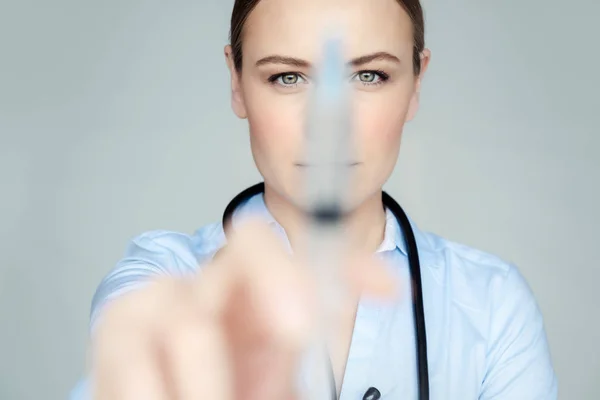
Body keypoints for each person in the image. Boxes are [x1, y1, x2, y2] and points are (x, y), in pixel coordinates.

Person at [70, 0, 558, 398]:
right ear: (236, 82)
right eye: (287, 77)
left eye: (369, 76)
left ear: (416, 82)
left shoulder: (492, 305)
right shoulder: (164, 276)